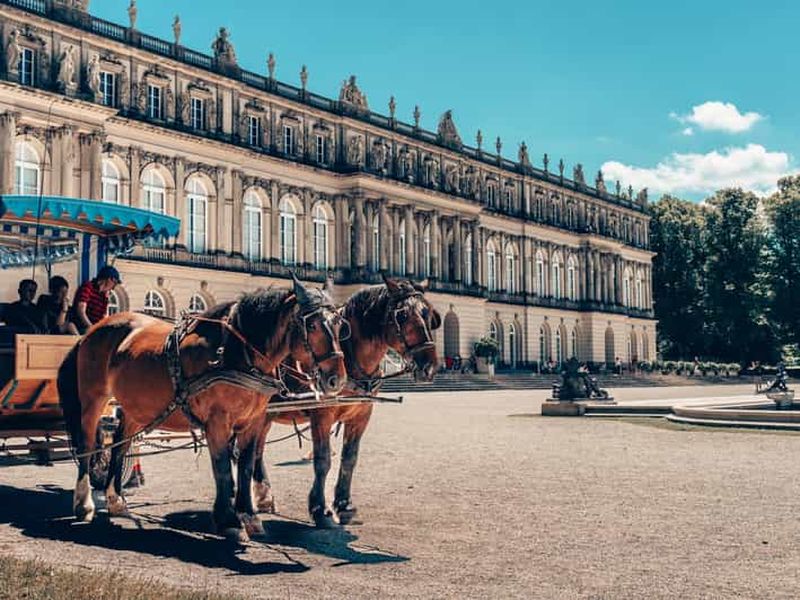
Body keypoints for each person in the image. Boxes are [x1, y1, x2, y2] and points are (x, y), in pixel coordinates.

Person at [71, 265, 120, 334]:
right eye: (115, 283)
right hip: (81, 327)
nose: (113, 287)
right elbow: (81, 311)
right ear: (109, 279)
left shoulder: (104, 296)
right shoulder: (88, 287)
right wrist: (92, 328)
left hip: (94, 329)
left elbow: (103, 317)